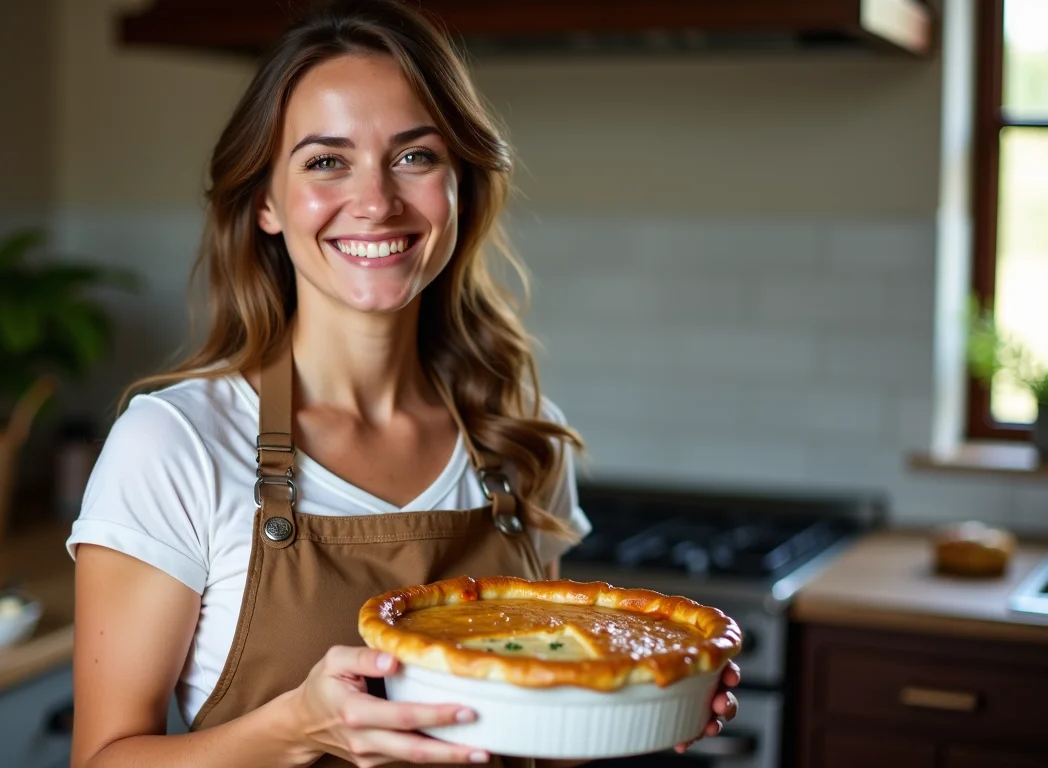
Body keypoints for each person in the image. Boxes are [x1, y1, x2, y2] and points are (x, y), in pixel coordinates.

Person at [65, 1, 739, 766]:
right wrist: (293, 730)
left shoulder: (518, 437)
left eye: (416, 157)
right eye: (326, 161)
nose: (378, 200)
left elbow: (529, 737)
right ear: (264, 204)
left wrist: (629, 715)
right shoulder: (175, 444)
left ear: (460, 188)